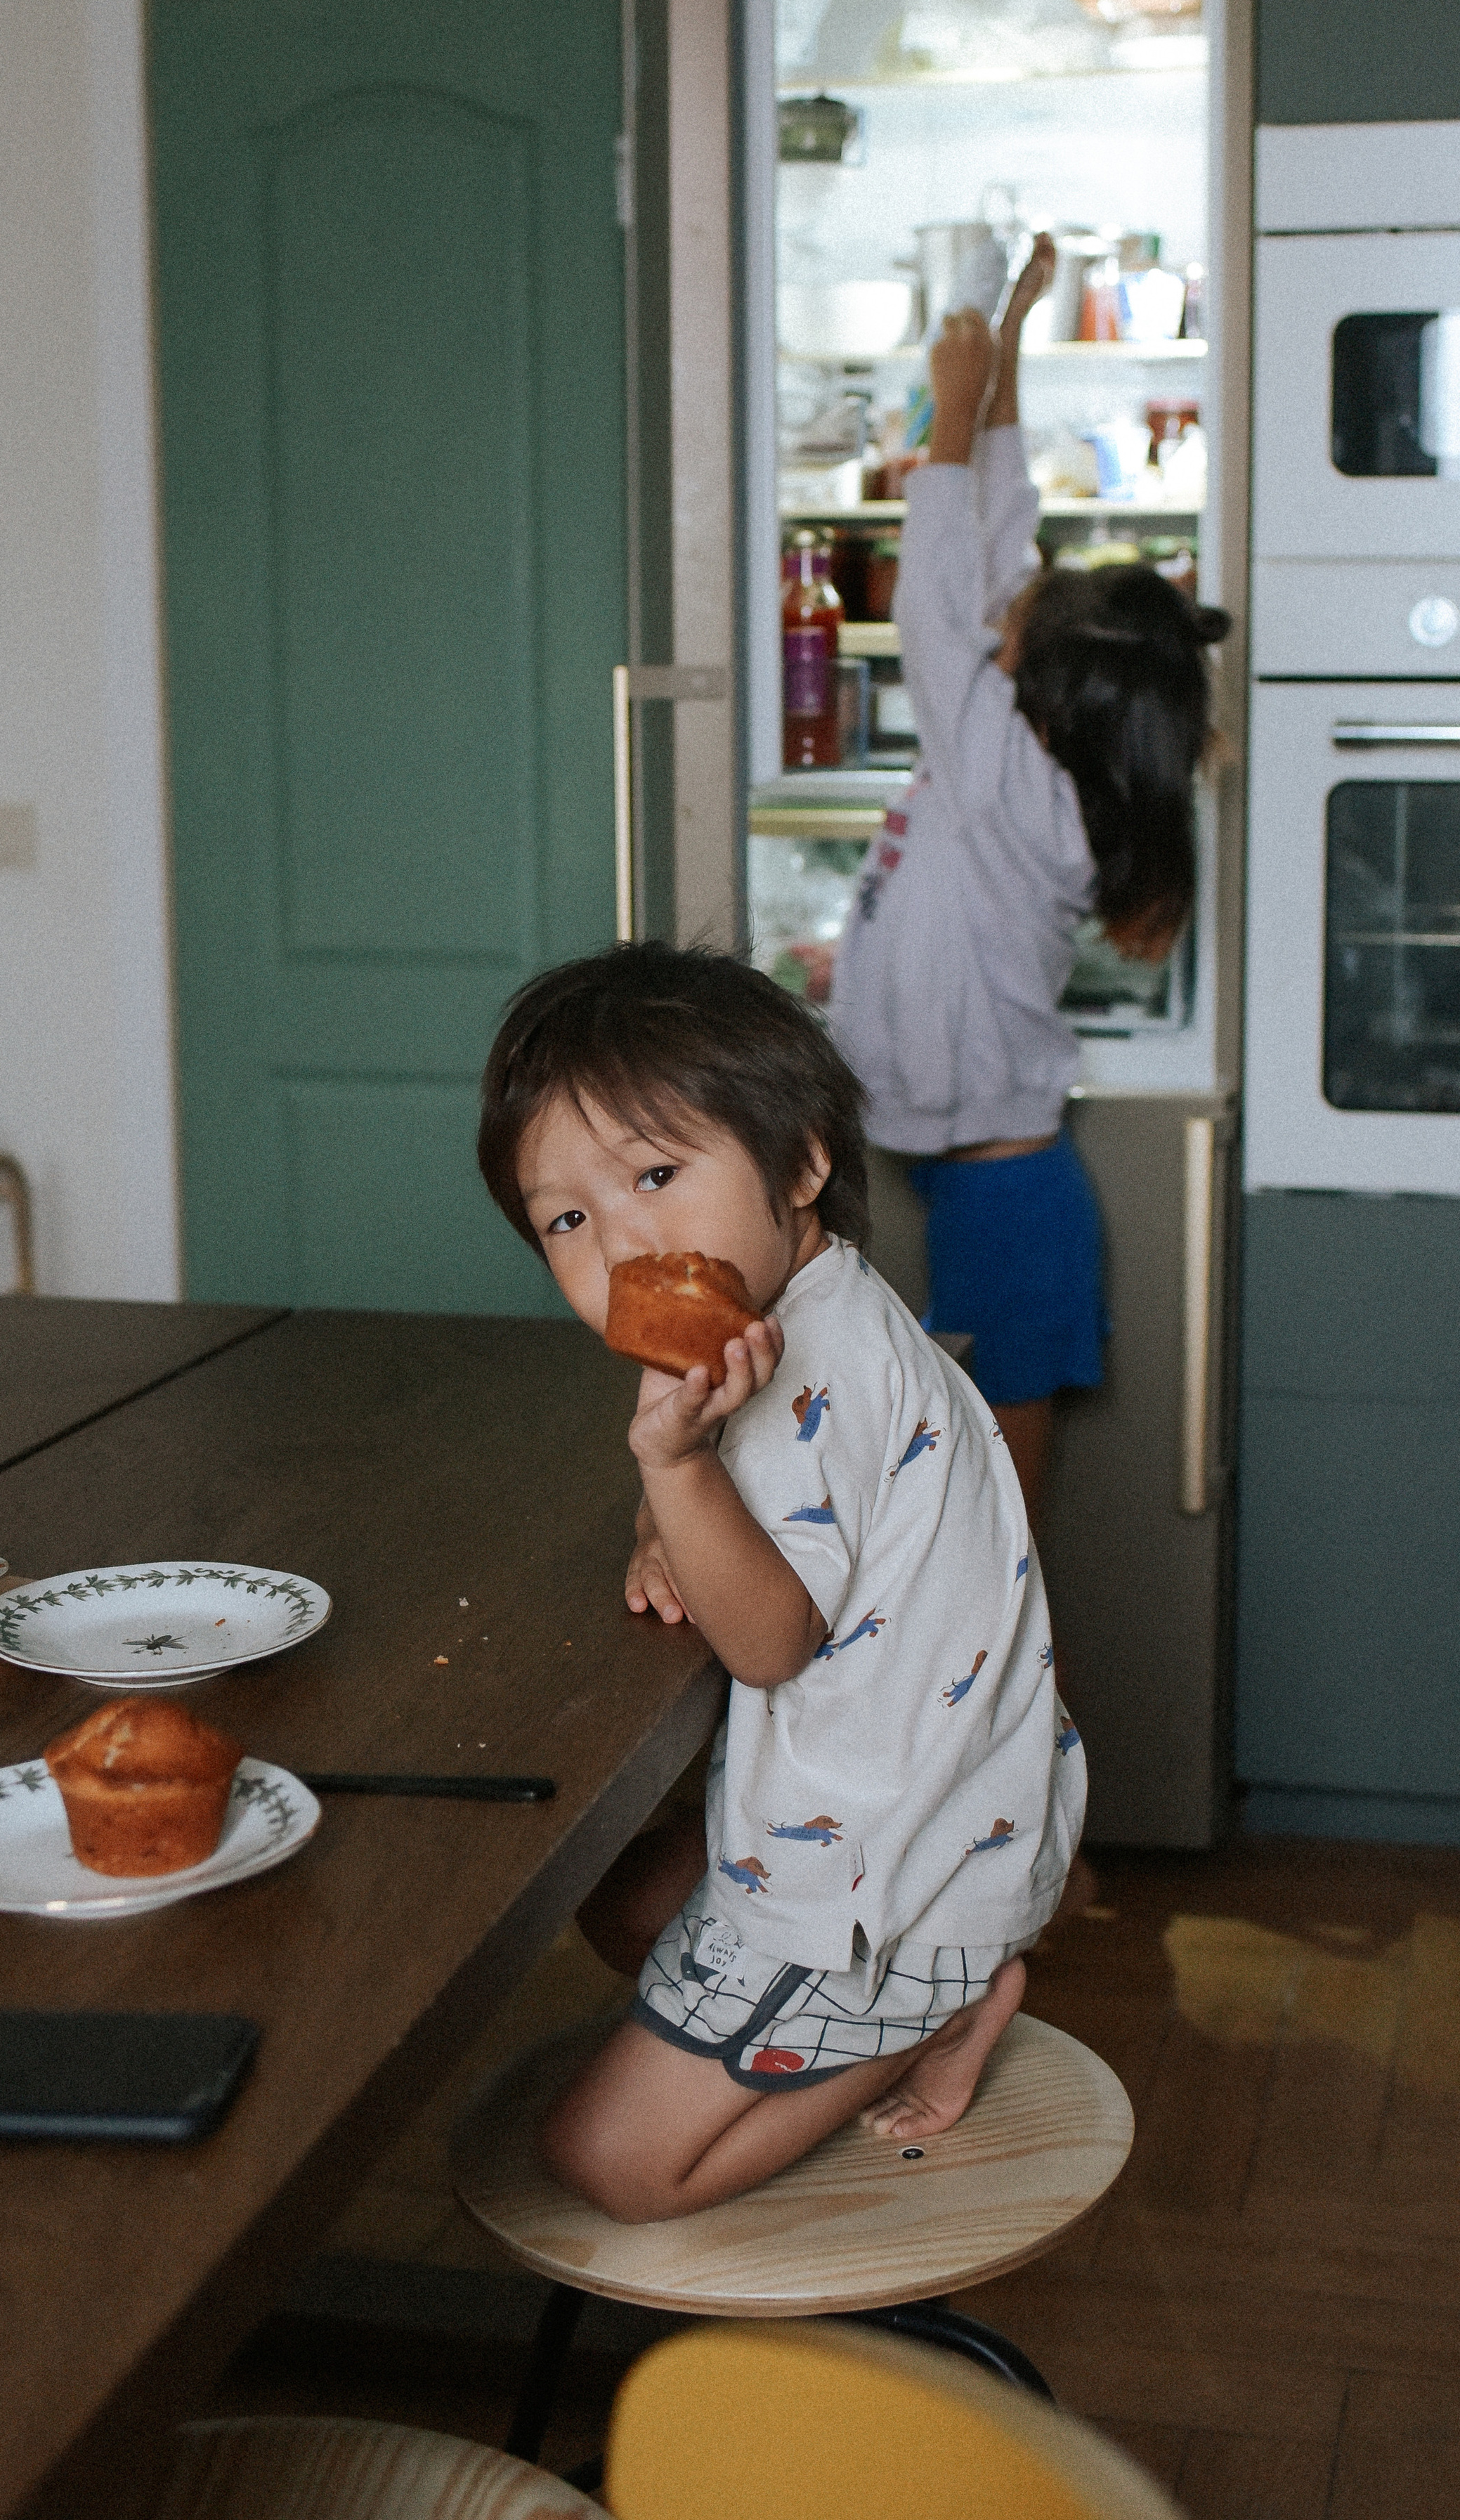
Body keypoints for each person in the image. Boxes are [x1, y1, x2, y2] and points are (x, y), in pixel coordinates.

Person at [476, 942, 1086, 2223]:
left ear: (803, 1161)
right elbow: (786, 1521)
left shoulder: (813, 1387)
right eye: (568, 1219)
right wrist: (679, 1498)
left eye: (656, 1174)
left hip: (887, 1878)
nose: (626, 1239)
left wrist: (674, 1466)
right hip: (958, 1811)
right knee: (613, 1889)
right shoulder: (817, 1313)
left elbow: (766, 1641)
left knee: (606, 2160)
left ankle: (930, 2016)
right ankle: (882, 2006)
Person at [829, 237, 1230, 1528]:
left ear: (1044, 689)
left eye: (1030, 619)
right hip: (968, 1161)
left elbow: (943, 602)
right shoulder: (1047, 754)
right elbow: (994, 565)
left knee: (998, 1500)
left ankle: (999, 1681)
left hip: (1005, 1192)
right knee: (967, 1470)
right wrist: (1006, 357)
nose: (1011, 607)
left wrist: (949, 412)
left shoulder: (1004, 770)